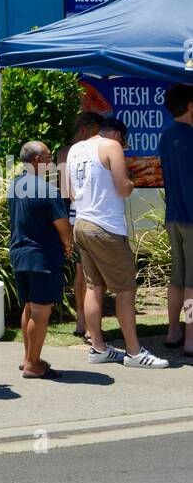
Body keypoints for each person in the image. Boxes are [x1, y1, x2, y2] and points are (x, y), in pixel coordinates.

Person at [66, 115, 168, 368]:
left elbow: (67, 192)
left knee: (93, 286)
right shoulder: (111, 147)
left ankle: (98, 348)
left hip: (81, 222)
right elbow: (123, 188)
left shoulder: (75, 149)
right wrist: (132, 182)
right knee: (125, 289)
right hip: (106, 226)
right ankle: (134, 352)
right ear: (117, 134)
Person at [10, 142, 73, 379]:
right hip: (42, 257)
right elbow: (63, 227)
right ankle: (33, 364)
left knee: (28, 306)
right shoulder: (47, 190)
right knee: (40, 309)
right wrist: (68, 245)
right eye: (49, 156)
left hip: (20, 253)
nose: (52, 161)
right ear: (37, 160)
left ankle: (29, 358)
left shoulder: (15, 185)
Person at [56, 112, 104, 340]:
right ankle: (88, 325)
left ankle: (82, 322)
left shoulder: (65, 153)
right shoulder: (89, 150)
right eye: (97, 130)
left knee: (81, 271)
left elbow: (64, 191)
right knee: (90, 275)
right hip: (90, 216)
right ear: (86, 129)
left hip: (75, 217)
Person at [158, 85, 193, 357]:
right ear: (190, 106)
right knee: (192, 283)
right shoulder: (190, 137)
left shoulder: (167, 136)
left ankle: (173, 332)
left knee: (177, 278)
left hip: (173, 217)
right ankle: (191, 338)